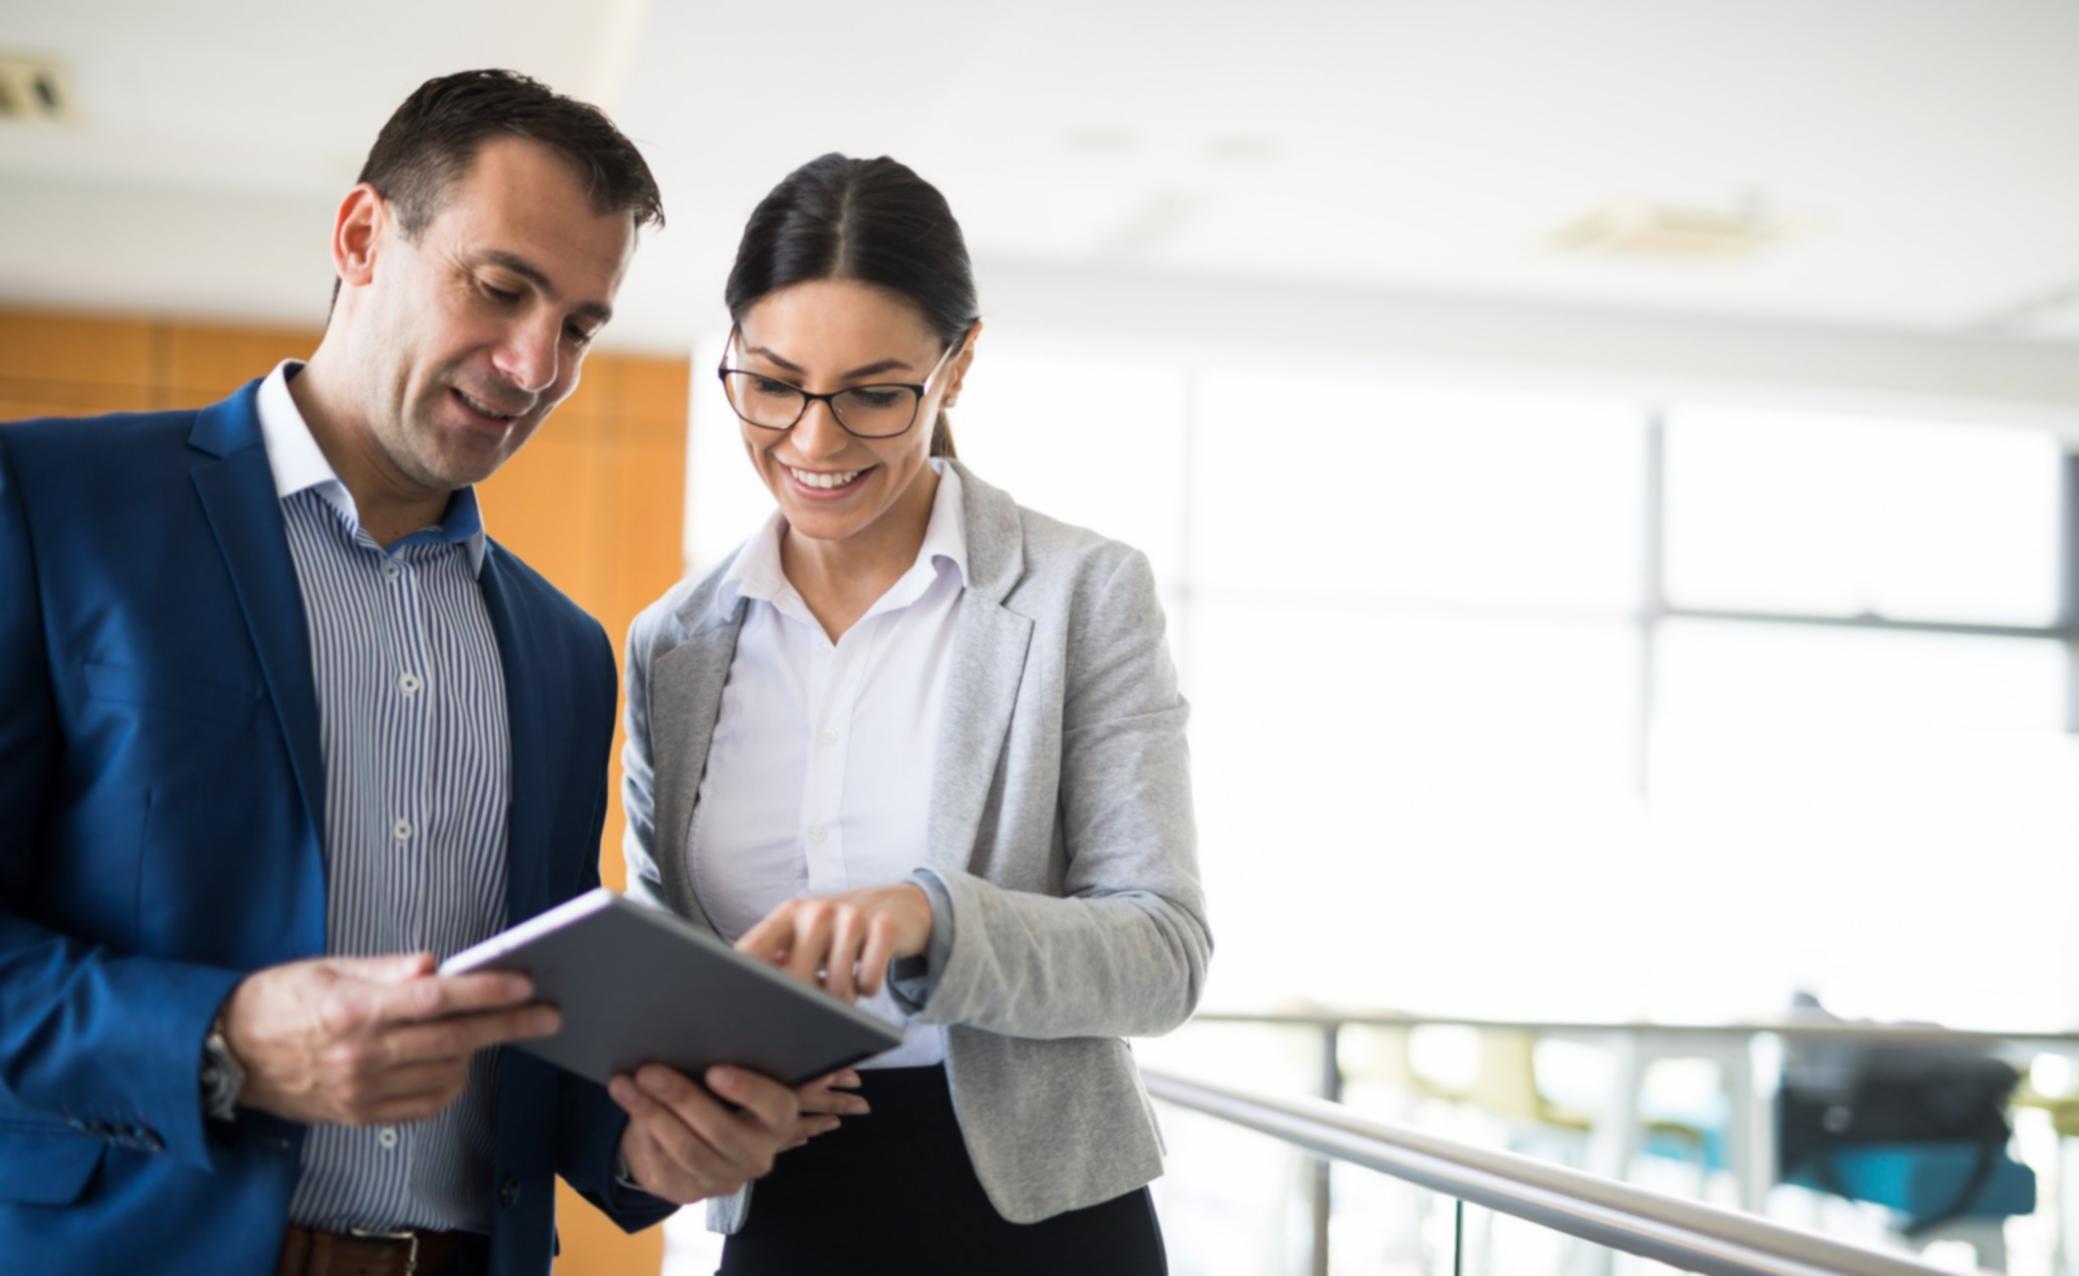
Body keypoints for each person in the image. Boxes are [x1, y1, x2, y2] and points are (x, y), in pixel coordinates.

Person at [0, 70, 806, 1276]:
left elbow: (532, 1045)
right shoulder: (53, 508)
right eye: (500, 287)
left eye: (581, 325)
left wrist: (656, 1150)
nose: (536, 364)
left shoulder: (566, 653)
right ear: (363, 236)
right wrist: (220, 1040)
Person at [621, 152, 1212, 1274]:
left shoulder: (1081, 594)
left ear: (958, 366)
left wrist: (932, 919)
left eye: (874, 394)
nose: (813, 441)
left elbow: (1163, 954)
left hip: (1041, 1218)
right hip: (782, 1209)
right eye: (773, 383)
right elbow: (670, 961)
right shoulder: (675, 646)